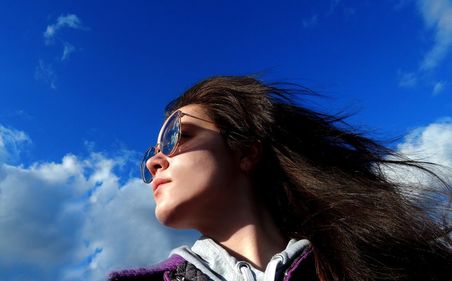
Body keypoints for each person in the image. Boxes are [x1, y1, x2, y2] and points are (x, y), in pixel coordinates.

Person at [108, 76, 451, 281]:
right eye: (151, 152)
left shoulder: (374, 267)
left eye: (175, 137)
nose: (154, 161)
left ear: (245, 153)